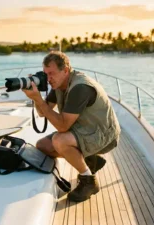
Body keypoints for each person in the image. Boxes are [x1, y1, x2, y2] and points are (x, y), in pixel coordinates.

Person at [22, 51, 121, 202]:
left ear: (66, 70)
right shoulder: (59, 84)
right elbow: (42, 113)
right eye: (45, 74)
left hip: (104, 135)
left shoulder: (80, 87)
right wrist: (35, 97)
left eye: (51, 73)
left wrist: (38, 99)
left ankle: (88, 181)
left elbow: (62, 127)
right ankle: (90, 160)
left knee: (60, 140)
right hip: (84, 129)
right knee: (42, 146)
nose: (48, 79)